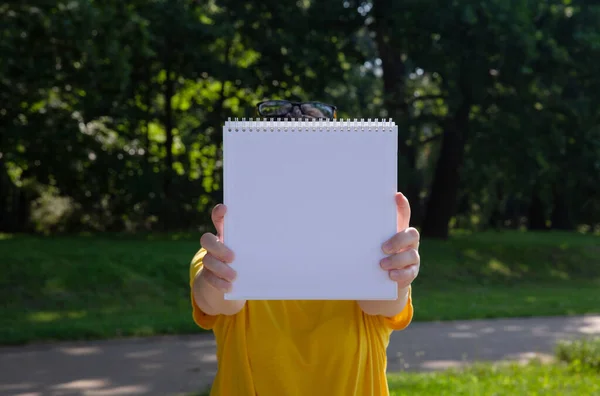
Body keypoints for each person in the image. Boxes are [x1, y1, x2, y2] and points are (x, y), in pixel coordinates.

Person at [189, 101, 421, 396]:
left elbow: (382, 302)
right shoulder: (218, 255)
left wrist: (397, 273)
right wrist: (221, 274)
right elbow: (217, 301)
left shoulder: (372, 254)